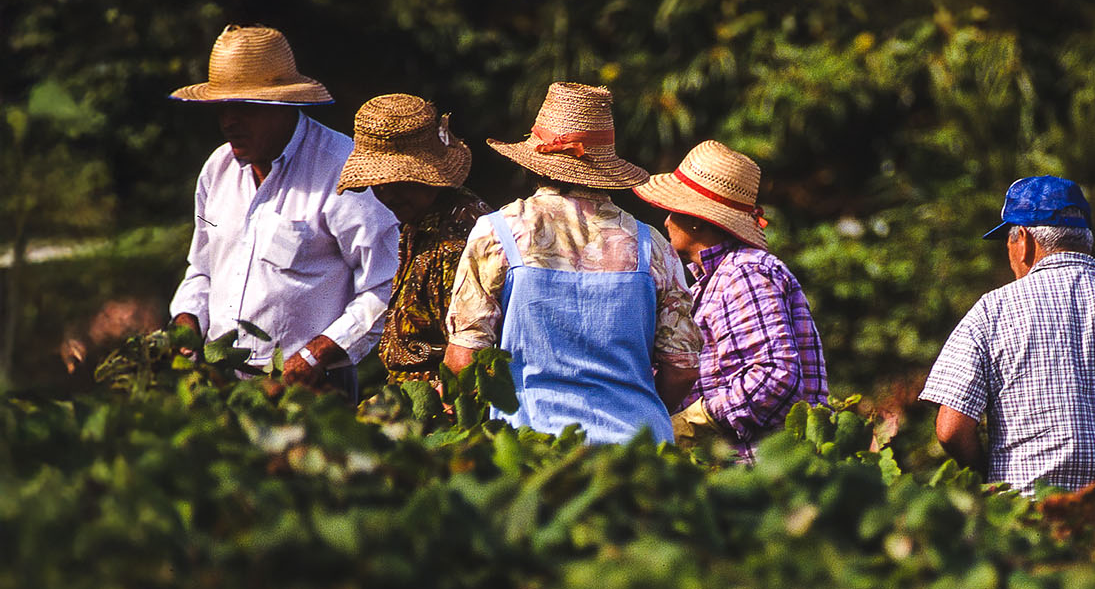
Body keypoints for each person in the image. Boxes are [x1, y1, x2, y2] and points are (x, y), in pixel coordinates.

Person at [443, 82, 700, 443]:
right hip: (638, 449)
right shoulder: (651, 245)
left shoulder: (498, 233)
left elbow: (465, 357)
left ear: (536, 164)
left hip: (532, 444)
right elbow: (682, 369)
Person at [169, 25, 400, 400]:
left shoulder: (342, 171)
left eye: (245, 108)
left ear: (283, 105)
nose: (230, 121)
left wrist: (317, 352)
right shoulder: (217, 170)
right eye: (223, 108)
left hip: (312, 390)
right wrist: (187, 322)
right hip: (223, 385)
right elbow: (201, 270)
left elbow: (385, 285)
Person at [920, 176, 1095, 493]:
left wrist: (986, 475)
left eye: (1007, 242)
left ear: (1022, 241)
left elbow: (951, 429)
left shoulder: (993, 310)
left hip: (1033, 516)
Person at [634, 140, 828, 461]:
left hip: (759, 469)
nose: (666, 221)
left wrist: (695, 421)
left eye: (674, 211)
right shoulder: (712, 281)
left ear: (696, 219)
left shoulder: (744, 273)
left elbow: (773, 376)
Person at [337, 94, 491, 386]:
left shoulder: (459, 239)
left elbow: (467, 358)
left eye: (399, 183)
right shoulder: (419, 220)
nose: (388, 195)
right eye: (379, 186)